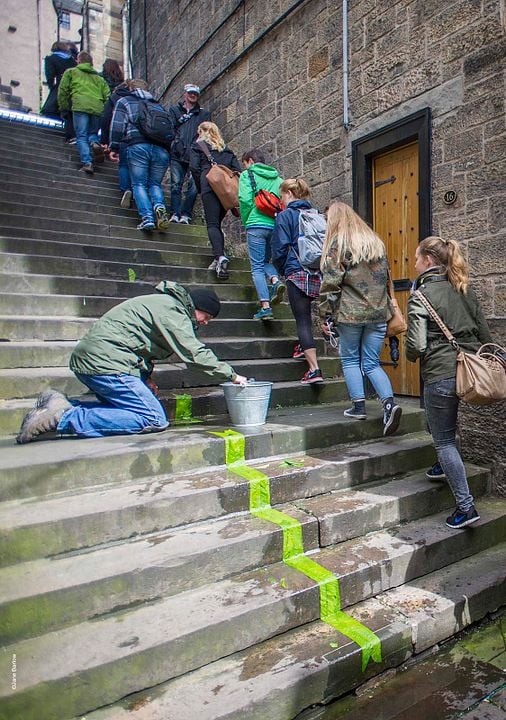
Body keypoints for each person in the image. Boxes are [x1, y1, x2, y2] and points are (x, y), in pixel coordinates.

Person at [16, 282, 247, 444]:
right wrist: (232, 376)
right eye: (207, 317)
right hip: (106, 363)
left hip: (98, 359)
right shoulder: (173, 311)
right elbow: (194, 353)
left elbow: (140, 344)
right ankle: (62, 418)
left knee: (127, 409)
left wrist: (145, 378)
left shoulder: (164, 305)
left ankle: (60, 404)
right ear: (197, 307)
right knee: (152, 418)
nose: (206, 323)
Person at [406, 236, 493, 529]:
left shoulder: (421, 295)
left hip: (441, 372)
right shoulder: (463, 287)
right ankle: (443, 465)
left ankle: (466, 508)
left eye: (417, 258)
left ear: (428, 261)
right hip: (469, 370)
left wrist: (406, 351)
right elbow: (484, 334)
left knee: (443, 440)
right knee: (442, 425)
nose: (414, 263)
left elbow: (415, 346)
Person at [319, 201, 402, 435]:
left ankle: (358, 407)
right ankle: (389, 404)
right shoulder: (375, 243)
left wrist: (325, 314)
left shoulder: (338, 244)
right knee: (372, 363)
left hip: (350, 314)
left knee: (350, 360)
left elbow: (330, 284)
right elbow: (386, 279)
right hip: (377, 313)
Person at [271, 178, 323, 384]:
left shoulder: (285, 216)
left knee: (303, 321)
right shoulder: (316, 214)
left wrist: (282, 269)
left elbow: (280, 248)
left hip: (297, 272)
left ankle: (314, 369)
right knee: (308, 317)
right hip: (317, 272)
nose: (281, 200)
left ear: (290, 194)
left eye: (282, 196)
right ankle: (303, 346)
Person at [108, 80, 172, 231]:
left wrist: (114, 147)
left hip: (137, 146)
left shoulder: (125, 102)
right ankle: (159, 206)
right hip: (161, 149)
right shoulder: (158, 105)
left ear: (130, 88)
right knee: (155, 184)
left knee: (139, 184)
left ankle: (147, 218)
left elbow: (117, 126)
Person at [189, 122, 241, 280]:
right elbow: (238, 171)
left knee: (212, 224)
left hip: (209, 187)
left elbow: (194, 168)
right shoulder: (227, 151)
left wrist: (201, 185)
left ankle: (219, 257)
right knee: (217, 223)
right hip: (224, 190)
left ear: (202, 132)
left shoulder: (198, 146)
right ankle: (218, 256)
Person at [238, 149, 285, 320]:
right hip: (274, 225)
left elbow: (244, 200)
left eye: (245, 163)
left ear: (250, 161)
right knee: (266, 261)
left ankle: (265, 307)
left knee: (256, 266)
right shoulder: (278, 179)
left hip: (255, 224)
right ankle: (275, 280)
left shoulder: (246, 175)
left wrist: (247, 218)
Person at [58, 51, 110, 174]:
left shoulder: (71, 72)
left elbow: (63, 91)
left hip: (80, 105)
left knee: (81, 135)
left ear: (78, 60)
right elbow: (108, 96)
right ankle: (94, 143)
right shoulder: (99, 78)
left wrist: (64, 108)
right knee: (92, 133)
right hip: (97, 107)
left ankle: (87, 163)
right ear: (91, 63)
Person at [168, 83, 211, 224]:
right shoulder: (174, 111)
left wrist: (208, 155)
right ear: (185, 94)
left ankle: (186, 214)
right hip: (177, 153)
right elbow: (170, 130)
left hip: (195, 154)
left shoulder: (204, 114)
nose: (193, 95)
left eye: (196, 94)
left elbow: (206, 135)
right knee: (176, 185)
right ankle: (175, 213)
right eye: (190, 93)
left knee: (193, 186)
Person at [100, 79, 133, 208]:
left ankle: (126, 189)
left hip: (122, 136)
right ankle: (138, 191)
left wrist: (107, 142)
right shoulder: (139, 100)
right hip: (137, 138)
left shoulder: (115, 98)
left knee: (124, 165)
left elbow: (106, 118)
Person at [41, 41, 76, 142]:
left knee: (51, 109)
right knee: (68, 110)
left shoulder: (51, 59)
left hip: (60, 86)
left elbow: (50, 75)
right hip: (72, 88)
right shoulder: (71, 60)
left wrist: (52, 87)